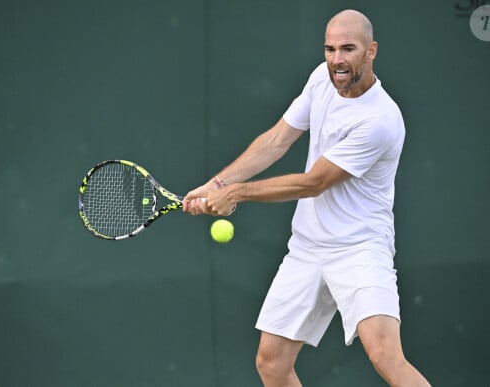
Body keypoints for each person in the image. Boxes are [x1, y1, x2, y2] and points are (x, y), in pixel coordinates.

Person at [182, 9, 431, 387]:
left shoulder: (380, 120)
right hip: (308, 247)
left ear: (371, 51)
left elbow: (314, 183)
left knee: (384, 355)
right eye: (330, 49)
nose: (337, 60)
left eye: (348, 49)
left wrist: (237, 193)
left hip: (360, 247)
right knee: (272, 362)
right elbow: (276, 141)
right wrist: (217, 184)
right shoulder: (321, 79)